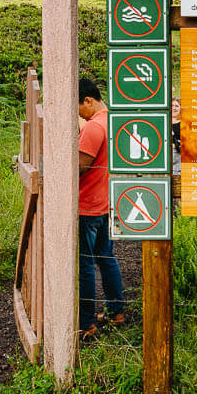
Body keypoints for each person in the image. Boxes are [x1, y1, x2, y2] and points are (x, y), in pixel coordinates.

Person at [77, 76, 125, 338]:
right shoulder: (114, 122)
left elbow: (80, 166)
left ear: (88, 100)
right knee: (107, 259)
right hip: (107, 203)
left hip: (88, 205)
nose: (80, 116)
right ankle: (116, 311)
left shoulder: (94, 128)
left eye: (79, 109)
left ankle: (86, 323)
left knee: (85, 265)